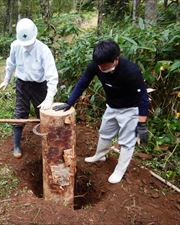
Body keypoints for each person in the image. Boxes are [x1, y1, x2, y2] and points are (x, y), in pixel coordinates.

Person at [53, 40, 149, 184]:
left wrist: (141, 124)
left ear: (116, 59)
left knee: (126, 142)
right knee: (105, 132)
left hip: (130, 109)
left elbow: (143, 97)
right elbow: (83, 81)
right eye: (99, 65)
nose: (101, 68)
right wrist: (69, 102)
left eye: (105, 66)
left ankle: (119, 171)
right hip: (111, 106)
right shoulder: (96, 65)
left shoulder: (131, 71)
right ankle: (100, 155)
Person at [0, 18, 58, 159]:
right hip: (22, 85)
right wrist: (6, 79)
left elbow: (52, 76)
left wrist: (49, 98)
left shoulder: (43, 50)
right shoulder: (15, 46)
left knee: (43, 115)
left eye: (29, 44)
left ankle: (48, 145)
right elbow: (10, 63)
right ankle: (17, 145)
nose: (26, 46)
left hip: (39, 86)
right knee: (19, 114)